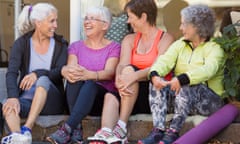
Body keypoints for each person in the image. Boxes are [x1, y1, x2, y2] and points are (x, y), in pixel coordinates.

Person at [87, 0, 175, 143]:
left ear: (144, 17)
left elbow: (158, 68)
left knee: (130, 70)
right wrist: (119, 79)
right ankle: (106, 133)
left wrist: (132, 76)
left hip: (153, 97)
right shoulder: (129, 39)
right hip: (128, 94)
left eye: (130, 17)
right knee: (111, 95)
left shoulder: (166, 38)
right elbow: (122, 65)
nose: (128, 21)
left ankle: (121, 128)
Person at [139, 5, 225, 144]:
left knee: (187, 85)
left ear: (197, 25)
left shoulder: (215, 48)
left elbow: (209, 69)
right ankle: (158, 130)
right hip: (183, 101)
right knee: (156, 85)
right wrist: (155, 75)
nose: (180, 28)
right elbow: (164, 61)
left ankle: (173, 131)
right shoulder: (180, 44)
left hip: (209, 103)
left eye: (184, 23)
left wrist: (183, 79)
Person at [46, 6, 121, 144]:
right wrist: (74, 72)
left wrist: (89, 74)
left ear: (105, 25)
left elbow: (110, 73)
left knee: (90, 84)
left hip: (101, 101)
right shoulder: (75, 46)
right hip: (77, 100)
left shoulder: (114, 47)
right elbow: (72, 70)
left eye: (92, 19)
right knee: (73, 78)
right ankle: (77, 128)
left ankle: (68, 128)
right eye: (86, 18)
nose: (87, 22)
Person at [1, 3, 68, 144]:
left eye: (56, 21)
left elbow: (59, 72)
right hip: (27, 100)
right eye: (52, 21)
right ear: (38, 23)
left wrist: (37, 74)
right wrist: (13, 97)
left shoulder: (61, 44)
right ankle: (18, 137)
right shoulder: (22, 43)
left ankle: (27, 128)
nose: (56, 25)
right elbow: (11, 73)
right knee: (8, 103)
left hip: (51, 102)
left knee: (43, 80)